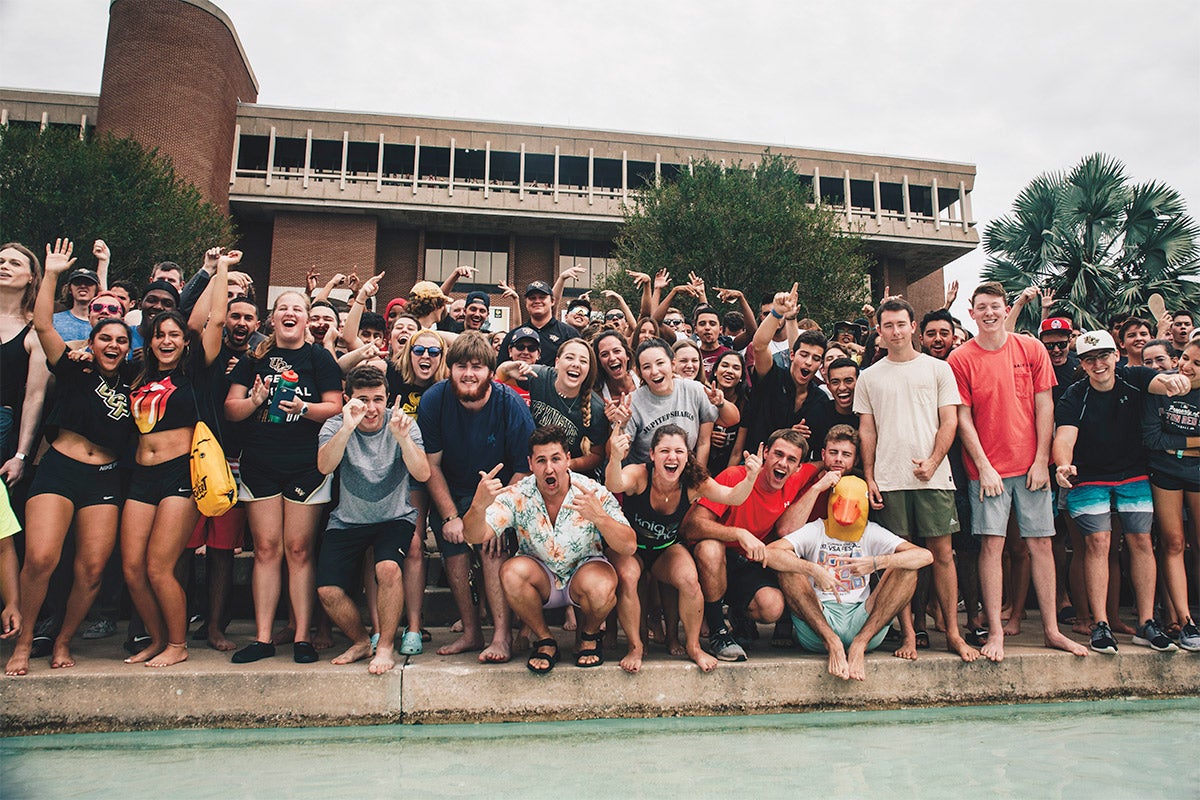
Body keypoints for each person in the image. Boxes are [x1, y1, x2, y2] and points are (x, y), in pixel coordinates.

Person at [5, 239, 134, 676]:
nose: (113, 345)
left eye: (121, 339)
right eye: (105, 339)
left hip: (105, 477)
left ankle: (62, 640)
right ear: (91, 342)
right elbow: (42, 325)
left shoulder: (136, 382)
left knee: (93, 570)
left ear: (129, 346)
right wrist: (54, 274)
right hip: (60, 468)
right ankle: (24, 643)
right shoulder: (74, 367)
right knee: (41, 558)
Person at [948, 282, 1088, 662]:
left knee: (1041, 543)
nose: (990, 313)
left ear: (1005, 307)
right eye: (982, 307)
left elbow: (1046, 408)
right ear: (972, 312)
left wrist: (1043, 460)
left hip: (1032, 468)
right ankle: (995, 631)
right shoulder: (960, 359)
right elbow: (963, 419)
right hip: (987, 471)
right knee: (992, 546)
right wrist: (984, 467)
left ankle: (1051, 630)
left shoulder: (1031, 348)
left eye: (996, 306)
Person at [120, 252, 230, 667]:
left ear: (186, 341)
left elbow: (215, 320)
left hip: (179, 477)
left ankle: (178, 645)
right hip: (141, 479)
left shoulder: (196, 373)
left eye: (174, 334)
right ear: (149, 341)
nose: (167, 340)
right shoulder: (138, 374)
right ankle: (157, 638)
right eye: (159, 335)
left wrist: (220, 272)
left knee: (158, 567)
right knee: (132, 568)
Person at [1052, 330, 1191, 653]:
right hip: (1088, 476)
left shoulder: (1134, 376)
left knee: (1141, 539)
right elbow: (1064, 438)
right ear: (1083, 365)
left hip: (1133, 473)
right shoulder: (1074, 395)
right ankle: (1100, 624)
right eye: (1089, 359)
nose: (1098, 364)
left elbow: (1160, 383)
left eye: (1103, 356)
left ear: (1116, 355)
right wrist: (1063, 464)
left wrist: (1172, 383)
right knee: (1098, 542)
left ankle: (1146, 623)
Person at [225, 290, 344, 664]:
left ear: (307, 319)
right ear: (271, 319)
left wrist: (304, 407)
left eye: (297, 309)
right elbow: (231, 409)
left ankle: (302, 637)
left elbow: (335, 406)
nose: (289, 313)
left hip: (305, 464)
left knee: (298, 550)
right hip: (259, 461)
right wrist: (257, 401)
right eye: (282, 309)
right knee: (265, 549)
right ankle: (262, 638)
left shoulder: (319, 357)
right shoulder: (253, 358)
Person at [855, 298, 977, 663]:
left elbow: (950, 421)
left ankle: (953, 633)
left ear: (913, 327)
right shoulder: (869, 376)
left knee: (943, 555)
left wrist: (934, 461)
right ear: (880, 330)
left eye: (901, 324)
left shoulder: (937, 370)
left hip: (935, 479)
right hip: (890, 481)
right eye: (888, 325)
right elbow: (867, 430)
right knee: (899, 560)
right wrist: (870, 476)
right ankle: (909, 632)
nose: (895, 331)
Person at [462, 426, 634, 672]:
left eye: (555, 459)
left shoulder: (591, 490)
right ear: (531, 464)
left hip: (583, 573)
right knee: (511, 572)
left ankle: (589, 634)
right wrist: (477, 507)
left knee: (603, 585)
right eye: (541, 461)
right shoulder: (519, 493)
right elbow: (474, 535)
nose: (549, 468)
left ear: (567, 459)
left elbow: (628, 545)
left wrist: (600, 518)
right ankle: (544, 639)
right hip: (541, 577)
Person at [418, 331, 535, 663]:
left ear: (489, 371)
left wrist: (494, 513)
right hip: (453, 489)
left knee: (491, 545)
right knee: (452, 547)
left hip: (501, 492)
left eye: (477, 367)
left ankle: (501, 636)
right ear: (449, 369)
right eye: (460, 366)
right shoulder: (434, 400)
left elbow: (523, 471)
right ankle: (471, 632)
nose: (468, 374)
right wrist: (451, 515)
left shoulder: (509, 403)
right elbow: (432, 465)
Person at [606, 426, 762, 672]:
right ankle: (635, 647)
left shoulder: (693, 482)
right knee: (628, 576)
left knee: (690, 581)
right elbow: (614, 482)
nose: (672, 457)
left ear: (687, 456)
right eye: (665, 450)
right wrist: (615, 457)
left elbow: (733, 496)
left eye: (679, 451)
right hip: (631, 547)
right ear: (652, 455)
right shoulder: (638, 474)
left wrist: (751, 477)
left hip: (665, 548)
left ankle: (694, 647)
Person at [316, 366, 430, 673]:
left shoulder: (404, 425)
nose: (371, 408)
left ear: (389, 399)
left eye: (378, 399)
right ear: (347, 399)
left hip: (394, 517)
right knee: (327, 591)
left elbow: (423, 474)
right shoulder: (334, 425)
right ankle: (359, 641)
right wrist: (347, 428)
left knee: (388, 568)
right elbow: (325, 466)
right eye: (362, 399)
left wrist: (403, 439)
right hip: (348, 519)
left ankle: (385, 646)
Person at [766, 475, 933, 681]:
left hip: (864, 622)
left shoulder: (872, 531)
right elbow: (769, 553)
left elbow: (926, 556)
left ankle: (859, 645)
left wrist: (876, 562)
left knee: (907, 566)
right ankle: (833, 642)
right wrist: (812, 569)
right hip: (818, 623)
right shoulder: (816, 529)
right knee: (788, 564)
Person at [682, 428, 818, 661]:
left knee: (772, 607)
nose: (783, 463)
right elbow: (691, 527)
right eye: (778, 454)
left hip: (748, 562)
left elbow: (818, 465)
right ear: (765, 453)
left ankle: (738, 614)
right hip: (715, 558)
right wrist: (738, 533)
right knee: (710, 548)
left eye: (791, 459)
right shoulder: (736, 476)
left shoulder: (794, 479)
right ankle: (718, 631)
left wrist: (832, 467)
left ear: (797, 468)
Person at [1142, 337, 1200, 651]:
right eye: (1185, 358)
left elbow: (1165, 437)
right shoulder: (1160, 387)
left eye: (1196, 363)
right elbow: (1152, 438)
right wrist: (1193, 444)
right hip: (1165, 470)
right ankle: (1185, 619)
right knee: (1173, 541)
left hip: (1197, 473)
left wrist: (1176, 442)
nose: (1186, 367)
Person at [498, 338, 609, 476]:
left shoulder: (596, 407)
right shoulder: (539, 376)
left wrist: (567, 464)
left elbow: (597, 455)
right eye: (569, 358)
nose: (576, 364)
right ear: (557, 362)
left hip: (565, 474)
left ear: (589, 369)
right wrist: (507, 368)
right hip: (528, 463)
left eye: (583, 361)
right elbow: (500, 377)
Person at [622, 338, 738, 466]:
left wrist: (721, 403)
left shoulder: (694, 389)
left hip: (684, 470)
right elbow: (620, 453)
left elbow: (731, 420)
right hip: (646, 472)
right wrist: (620, 426)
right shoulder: (632, 402)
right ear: (640, 373)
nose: (654, 371)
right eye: (646, 367)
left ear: (672, 365)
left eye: (660, 363)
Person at [746, 286, 832, 455]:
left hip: (794, 473)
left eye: (815, 358)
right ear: (792, 355)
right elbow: (759, 346)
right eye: (804, 355)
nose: (808, 362)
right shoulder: (773, 376)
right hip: (755, 464)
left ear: (820, 365)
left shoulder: (819, 399)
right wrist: (777, 312)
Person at [0, 242, 49, 488]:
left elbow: (35, 396)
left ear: (31, 277)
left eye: (14, 263)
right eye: (1, 262)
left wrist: (20, 455)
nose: (4, 267)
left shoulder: (35, 330)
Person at [496, 281, 579, 366]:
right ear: (526, 303)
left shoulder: (569, 334)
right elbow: (499, 371)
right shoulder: (513, 335)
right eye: (532, 298)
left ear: (553, 301)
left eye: (542, 297)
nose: (537, 301)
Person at [708, 351, 750, 473]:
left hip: (729, 465)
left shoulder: (745, 404)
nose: (730, 371)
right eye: (725, 365)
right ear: (715, 371)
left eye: (736, 368)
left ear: (742, 376)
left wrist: (725, 479)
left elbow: (737, 452)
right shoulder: (703, 395)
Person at [592, 330, 639, 401]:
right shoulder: (597, 397)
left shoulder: (641, 376)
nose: (612, 358)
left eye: (617, 351)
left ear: (627, 355)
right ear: (599, 362)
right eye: (605, 354)